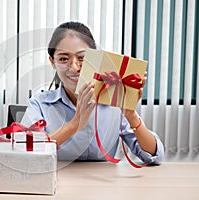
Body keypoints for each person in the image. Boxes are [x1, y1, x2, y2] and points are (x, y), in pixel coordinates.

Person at [21, 21, 164, 164]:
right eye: (64, 59)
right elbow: (27, 154)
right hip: (58, 182)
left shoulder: (113, 101)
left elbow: (155, 157)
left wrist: (131, 115)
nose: (74, 67)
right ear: (52, 61)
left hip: (103, 184)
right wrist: (75, 123)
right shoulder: (39, 103)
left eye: (82, 58)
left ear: (95, 59)